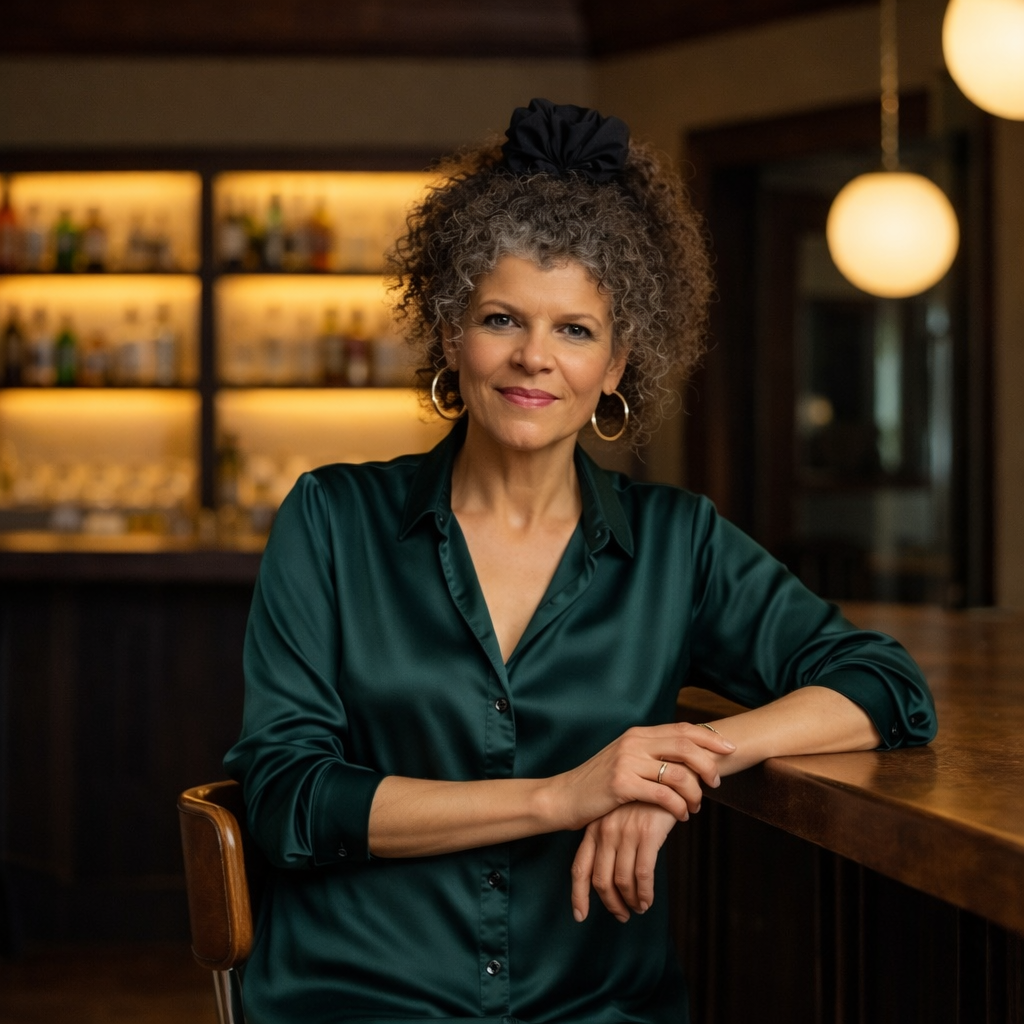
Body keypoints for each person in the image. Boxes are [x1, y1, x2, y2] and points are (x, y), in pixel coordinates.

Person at [224, 99, 936, 1024]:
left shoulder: (677, 542)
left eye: (574, 330)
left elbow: (883, 686)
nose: (534, 359)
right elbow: (287, 799)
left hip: (594, 1006)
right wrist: (561, 797)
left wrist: (674, 771)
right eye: (501, 319)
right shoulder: (331, 519)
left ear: (617, 363)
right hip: (361, 998)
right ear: (450, 334)